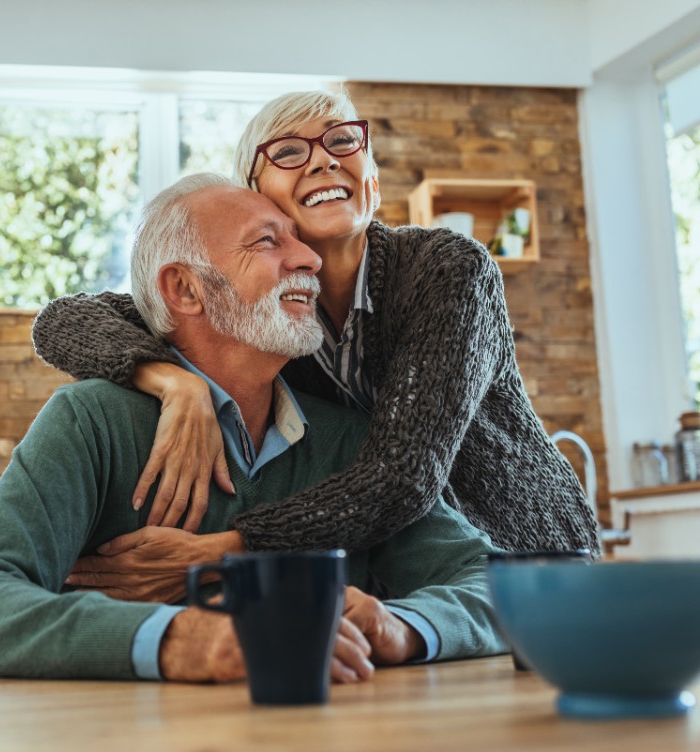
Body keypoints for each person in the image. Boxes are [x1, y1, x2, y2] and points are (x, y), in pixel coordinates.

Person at [0, 174, 506, 683]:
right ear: (185, 289)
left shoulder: (350, 441)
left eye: (298, 241)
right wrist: (182, 639)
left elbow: (494, 584)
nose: (309, 259)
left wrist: (400, 624)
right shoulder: (91, 422)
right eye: (268, 242)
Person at [31, 89, 599, 591]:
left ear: (371, 179)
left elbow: (402, 477)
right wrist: (174, 383)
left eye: (343, 141)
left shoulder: (448, 270)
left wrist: (223, 552)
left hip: (523, 560)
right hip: (395, 579)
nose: (324, 158)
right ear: (256, 195)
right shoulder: (263, 315)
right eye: (287, 151)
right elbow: (64, 320)